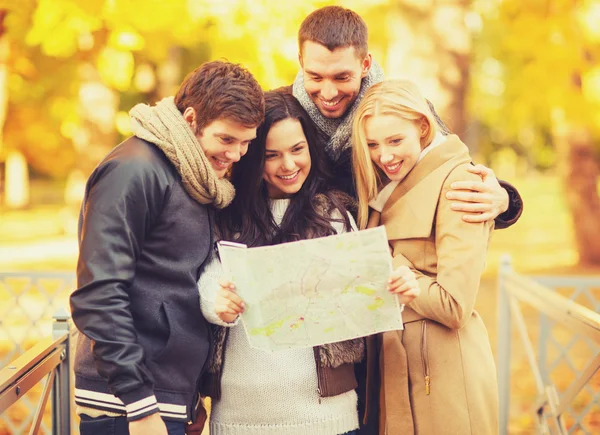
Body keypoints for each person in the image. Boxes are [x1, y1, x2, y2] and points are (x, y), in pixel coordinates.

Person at [196, 91, 420, 435]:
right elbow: (208, 276)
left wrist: (397, 289)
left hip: (327, 417)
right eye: (272, 155)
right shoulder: (226, 216)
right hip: (239, 418)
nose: (288, 165)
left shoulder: (333, 214)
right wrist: (215, 301)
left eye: (297, 150)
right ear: (253, 157)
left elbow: (367, 290)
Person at [69, 61, 265, 435]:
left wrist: (190, 398)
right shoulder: (134, 170)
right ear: (191, 119)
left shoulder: (190, 173)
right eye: (226, 139)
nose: (237, 154)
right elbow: (98, 294)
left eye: (246, 143)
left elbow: (173, 285)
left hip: (167, 400)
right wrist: (141, 407)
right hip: (129, 408)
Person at [284, 5, 523, 228]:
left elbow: (451, 171)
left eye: (342, 78)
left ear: (365, 64)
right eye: (315, 77)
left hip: (393, 260)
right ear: (301, 61)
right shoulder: (282, 112)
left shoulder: (399, 109)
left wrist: (503, 199)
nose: (328, 92)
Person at [352, 79, 499, 434]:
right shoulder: (388, 186)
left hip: (445, 373)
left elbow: (455, 306)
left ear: (421, 126)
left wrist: (403, 275)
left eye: (395, 140)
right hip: (402, 367)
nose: (384, 155)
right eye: (372, 144)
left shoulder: (459, 183)